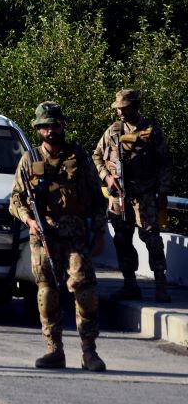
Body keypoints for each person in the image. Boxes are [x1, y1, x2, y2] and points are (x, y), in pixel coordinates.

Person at [10, 102, 108, 371]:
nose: (50, 131)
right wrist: (28, 220)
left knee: (84, 289)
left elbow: (98, 198)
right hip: (43, 234)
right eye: (45, 127)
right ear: (39, 130)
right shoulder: (30, 160)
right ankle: (54, 350)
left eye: (54, 125)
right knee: (47, 293)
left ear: (62, 126)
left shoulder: (79, 156)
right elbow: (15, 199)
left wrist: (99, 231)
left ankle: (90, 352)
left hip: (75, 232)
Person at [92, 89, 172, 303]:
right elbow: (97, 156)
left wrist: (162, 192)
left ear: (136, 106)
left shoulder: (151, 131)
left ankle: (161, 285)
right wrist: (107, 177)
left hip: (144, 194)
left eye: (124, 107)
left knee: (152, 239)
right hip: (118, 195)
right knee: (122, 240)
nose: (120, 112)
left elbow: (164, 163)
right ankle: (130, 285)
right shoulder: (112, 131)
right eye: (118, 108)